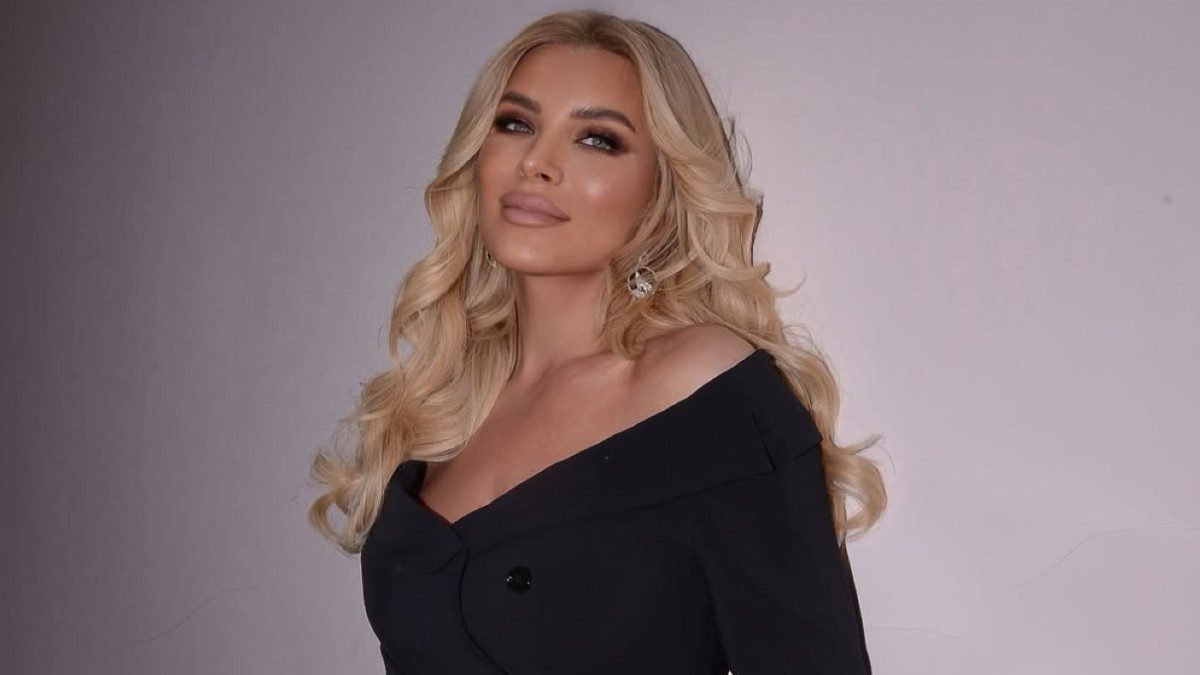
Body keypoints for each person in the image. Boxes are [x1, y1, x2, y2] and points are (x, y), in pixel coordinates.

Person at [308, 9, 887, 674]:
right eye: (515, 124)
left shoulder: (700, 387)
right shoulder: (440, 410)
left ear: (660, 191)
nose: (536, 162)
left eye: (597, 139)